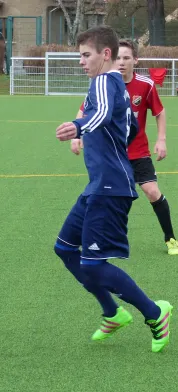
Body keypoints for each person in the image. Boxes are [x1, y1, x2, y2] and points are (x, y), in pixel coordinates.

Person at [54, 26, 172, 353]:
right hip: (99, 185)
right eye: (80, 55)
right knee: (64, 249)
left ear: (105, 55)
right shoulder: (112, 85)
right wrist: (109, 133)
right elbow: (129, 124)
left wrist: (79, 126)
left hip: (111, 187)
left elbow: (104, 113)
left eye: (85, 54)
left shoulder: (106, 81)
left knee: (92, 264)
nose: (81, 61)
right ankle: (113, 312)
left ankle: (154, 312)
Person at [71, 39, 177, 255]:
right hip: (110, 155)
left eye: (126, 58)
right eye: (118, 57)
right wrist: (76, 136)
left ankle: (171, 238)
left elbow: (159, 112)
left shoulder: (145, 85)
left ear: (135, 60)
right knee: (98, 195)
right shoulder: (104, 83)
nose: (121, 62)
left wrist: (161, 139)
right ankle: (83, 237)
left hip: (137, 152)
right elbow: (83, 110)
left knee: (152, 191)